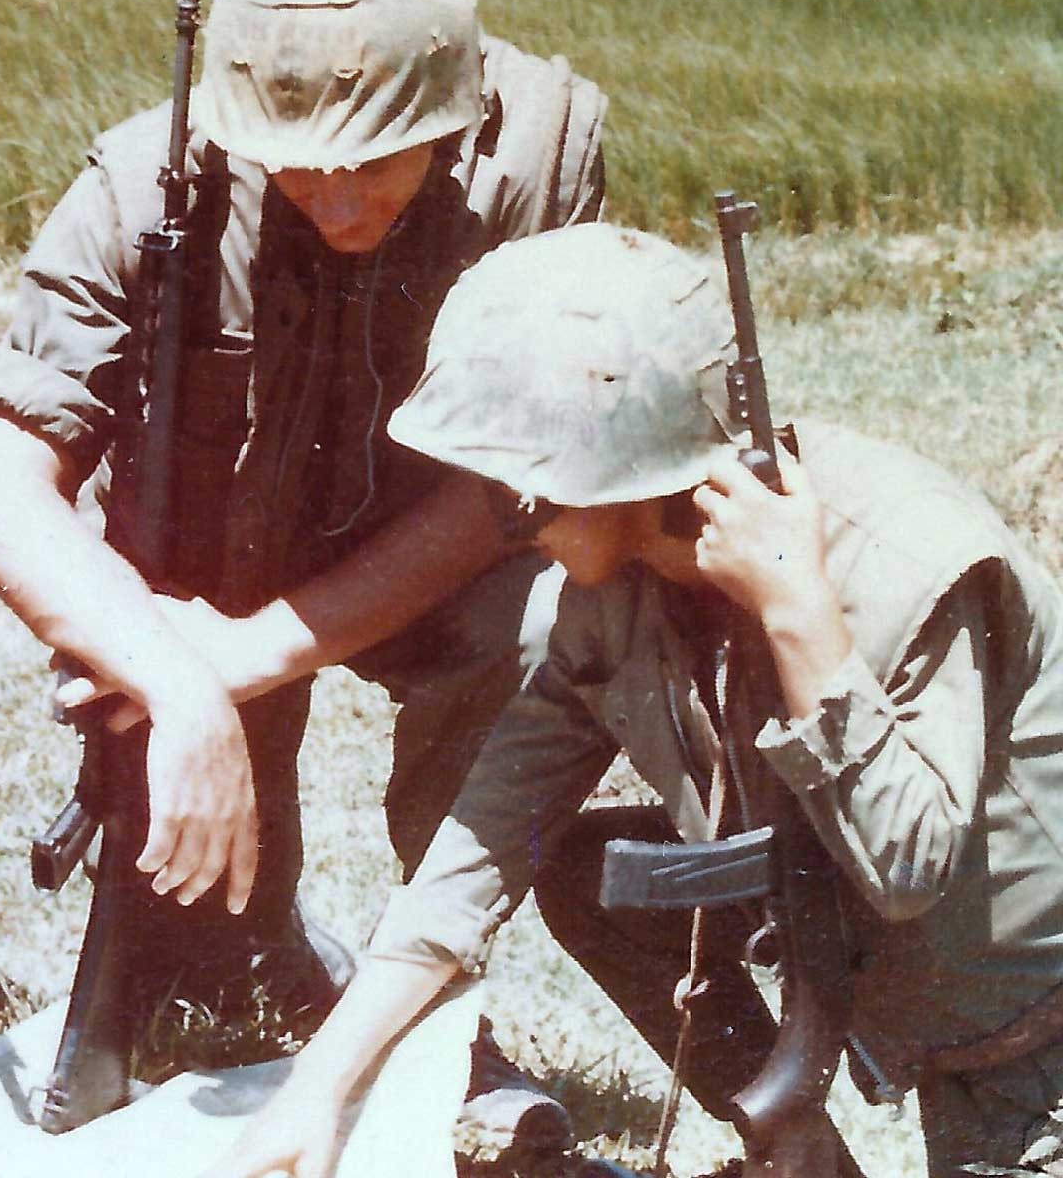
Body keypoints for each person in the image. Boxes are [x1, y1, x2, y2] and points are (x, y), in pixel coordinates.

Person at [215, 222, 1063, 1178]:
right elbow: (481, 848)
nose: (512, 531)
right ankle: (801, 1153)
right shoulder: (601, 604)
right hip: (865, 942)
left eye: (528, 500)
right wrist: (317, 1092)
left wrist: (796, 611)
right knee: (589, 874)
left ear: (640, 475)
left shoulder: (902, 567)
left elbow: (911, 866)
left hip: (1029, 1015)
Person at [0, 0, 604, 1109]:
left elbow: (519, 477)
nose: (339, 199)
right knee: (210, 937)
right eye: (301, 169)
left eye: (378, 161)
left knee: (546, 617)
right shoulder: (142, 183)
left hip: (433, 561)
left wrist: (252, 656)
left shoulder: (541, 161)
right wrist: (180, 677)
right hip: (205, 588)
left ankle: (434, 997)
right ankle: (265, 938)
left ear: (454, 111)